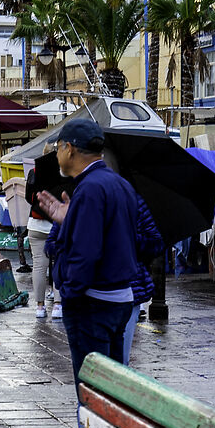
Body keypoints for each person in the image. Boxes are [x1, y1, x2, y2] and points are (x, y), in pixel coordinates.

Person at [35, 121, 138, 376]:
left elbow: (86, 252)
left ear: (69, 149)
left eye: (58, 147)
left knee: (93, 390)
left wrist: (70, 292)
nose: (56, 154)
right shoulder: (118, 184)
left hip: (93, 303)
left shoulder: (90, 189)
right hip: (118, 298)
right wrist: (68, 219)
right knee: (110, 389)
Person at [119, 186, 166, 364]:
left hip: (128, 291)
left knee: (120, 363)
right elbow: (53, 246)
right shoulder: (79, 199)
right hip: (90, 295)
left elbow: (155, 242)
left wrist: (131, 238)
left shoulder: (133, 201)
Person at [23, 151, 68, 320]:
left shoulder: (34, 172)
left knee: (39, 266)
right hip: (57, 226)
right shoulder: (63, 173)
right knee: (58, 265)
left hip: (36, 224)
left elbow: (29, 197)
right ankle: (57, 305)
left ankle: (40, 307)